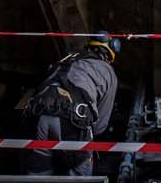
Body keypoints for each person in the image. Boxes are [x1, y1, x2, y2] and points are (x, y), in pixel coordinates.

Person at [21, 35, 120, 177]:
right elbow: (100, 125)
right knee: (79, 172)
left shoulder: (66, 59)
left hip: (38, 114)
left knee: (38, 172)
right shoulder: (107, 71)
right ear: (109, 57)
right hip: (72, 118)